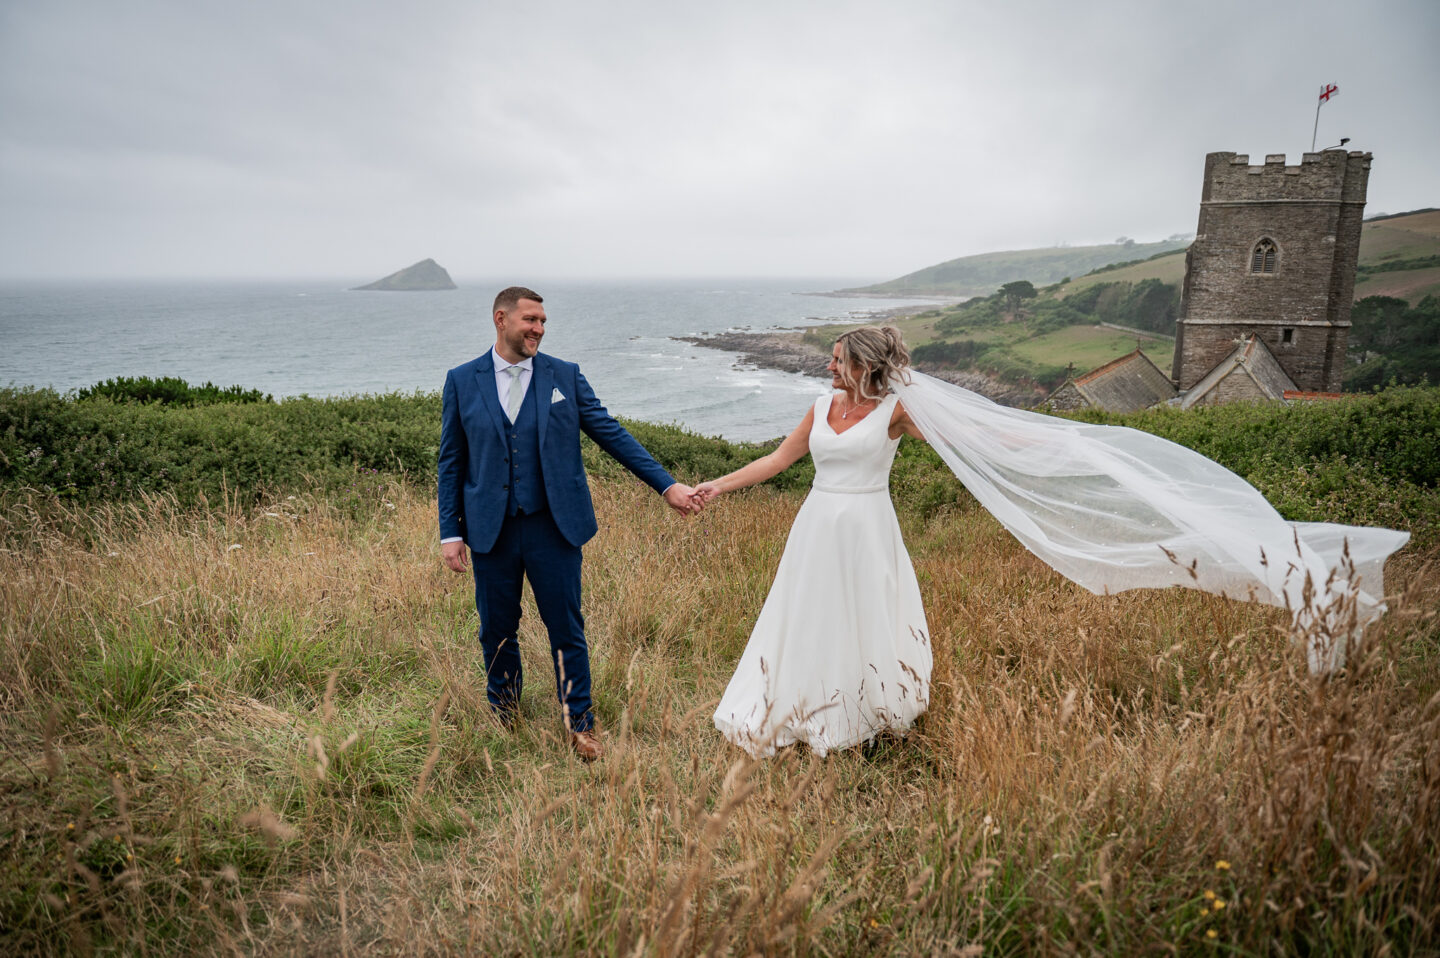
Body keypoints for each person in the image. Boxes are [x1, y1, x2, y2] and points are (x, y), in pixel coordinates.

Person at [438, 286, 701, 761]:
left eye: (543, 321)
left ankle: (580, 724)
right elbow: (451, 462)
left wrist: (667, 486)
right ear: (501, 319)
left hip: (554, 528)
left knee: (566, 628)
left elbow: (611, 434)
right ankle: (505, 714)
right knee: (496, 629)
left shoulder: (565, 375)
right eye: (530, 319)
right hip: (489, 529)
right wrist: (450, 531)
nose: (539, 328)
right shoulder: (461, 381)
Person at [695, 326, 930, 757]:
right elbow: (777, 459)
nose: (829, 366)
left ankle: (865, 708)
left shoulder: (896, 412)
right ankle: (801, 701)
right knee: (810, 611)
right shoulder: (822, 407)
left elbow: (955, 440)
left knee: (864, 611)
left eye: (839, 360)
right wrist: (717, 485)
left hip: (868, 527)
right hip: (816, 525)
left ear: (864, 366)